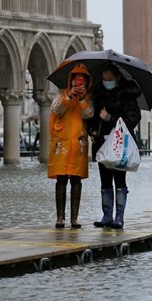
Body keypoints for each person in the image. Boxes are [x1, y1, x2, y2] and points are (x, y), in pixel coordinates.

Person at [89, 64, 143, 229]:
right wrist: (92, 129)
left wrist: (110, 118)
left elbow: (133, 117)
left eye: (110, 79)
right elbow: (93, 117)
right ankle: (107, 216)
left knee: (119, 180)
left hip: (121, 144)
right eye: (105, 79)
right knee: (105, 181)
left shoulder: (126, 95)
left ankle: (119, 217)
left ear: (117, 78)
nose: (107, 82)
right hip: (101, 142)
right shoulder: (98, 94)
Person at [47, 63, 94, 229]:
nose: (78, 84)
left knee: (76, 179)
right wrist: (69, 98)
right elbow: (56, 110)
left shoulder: (88, 97)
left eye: (82, 81)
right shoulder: (61, 93)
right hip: (62, 141)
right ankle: (60, 217)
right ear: (71, 81)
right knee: (61, 179)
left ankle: (74, 218)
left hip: (78, 143)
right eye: (76, 80)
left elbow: (88, 114)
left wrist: (81, 99)